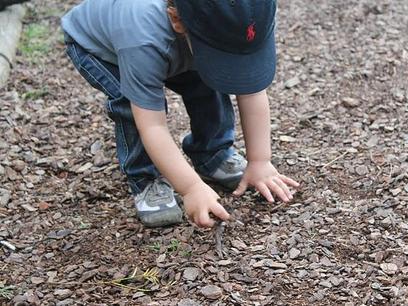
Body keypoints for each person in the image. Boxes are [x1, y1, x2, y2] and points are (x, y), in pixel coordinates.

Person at [61, 0, 299, 228]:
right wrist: (191, 187)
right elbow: (152, 126)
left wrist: (260, 161)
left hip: (179, 43)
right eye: (222, 54)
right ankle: (145, 180)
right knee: (132, 106)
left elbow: (252, 90)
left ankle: (213, 153)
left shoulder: (248, 16)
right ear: (177, 20)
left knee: (210, 82)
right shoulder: (142, 38)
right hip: (101, 49)